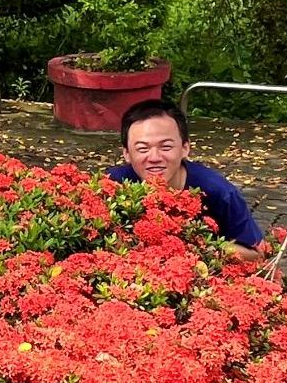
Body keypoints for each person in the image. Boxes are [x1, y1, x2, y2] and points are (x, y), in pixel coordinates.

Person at [106, 98, 265, 262]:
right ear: (126, 154)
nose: (154, 157)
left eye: (166, 147)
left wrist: (195, 247)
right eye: (142, 149)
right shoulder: (113, 186)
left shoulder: (218, 192)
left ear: (185, 148)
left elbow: (257, 253)